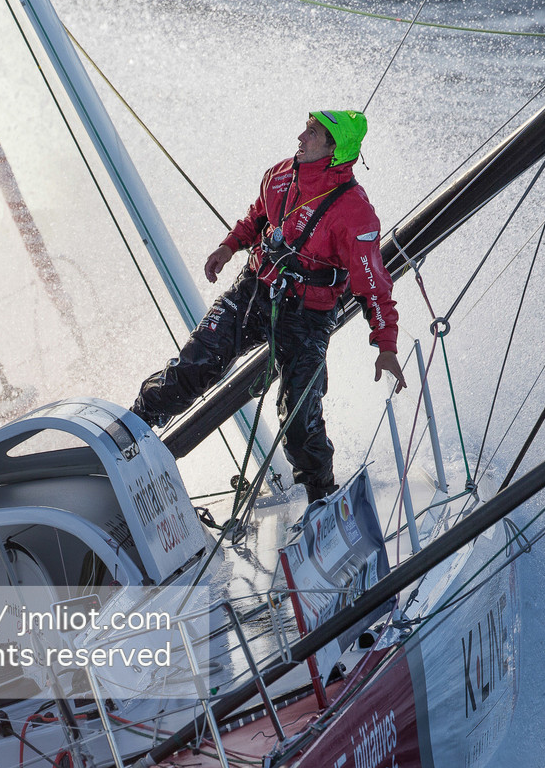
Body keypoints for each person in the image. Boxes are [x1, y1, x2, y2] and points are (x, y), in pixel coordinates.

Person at [131, 110, 406, 503]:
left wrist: (387, 346)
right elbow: (256, 218)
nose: (301, 136)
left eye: (312, 133)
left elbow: (374, 288)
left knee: (299, 416)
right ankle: (131, 428)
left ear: (333, 148)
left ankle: (321, 497)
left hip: (307, 317)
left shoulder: (355, 213)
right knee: (195, 363)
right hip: (253, 292)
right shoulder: (279, 174)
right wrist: (229, 247)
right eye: (306, 128)